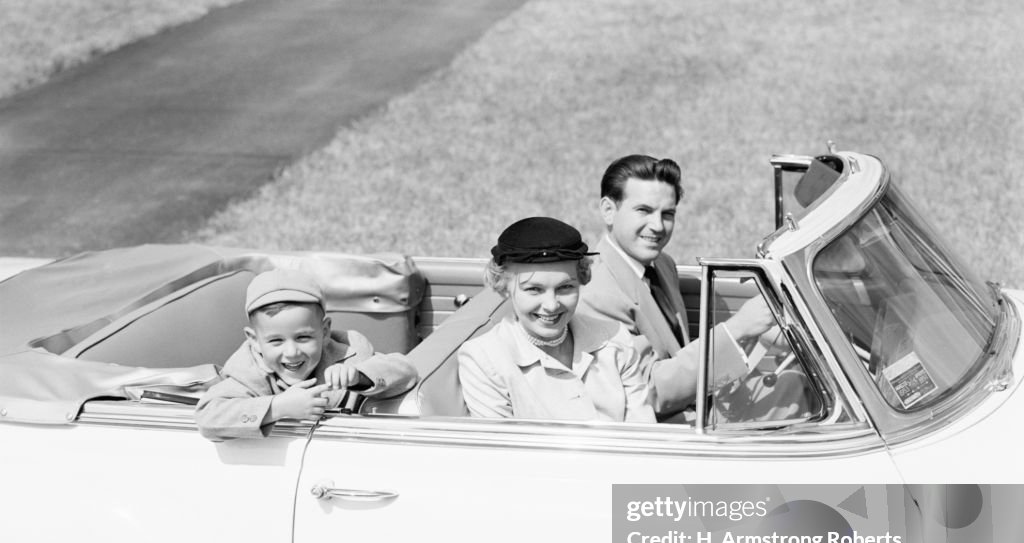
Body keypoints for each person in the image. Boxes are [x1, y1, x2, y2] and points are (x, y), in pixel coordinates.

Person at [576, 154, 776, 421]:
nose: (658, 226)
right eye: (643, 211)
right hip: (661, 430)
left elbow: (674, 353)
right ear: (608, 210)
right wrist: (738, 329)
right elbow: (647, 392)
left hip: (697, 405)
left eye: (667, 214)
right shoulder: (595, 293)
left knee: (795, 387)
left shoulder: (662, 264)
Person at [458, 217, 655, 423]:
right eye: (534, 289)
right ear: (503, 285)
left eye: (565, 287)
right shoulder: (483, 359)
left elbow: (644, 431)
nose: (551, 305)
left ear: (581, 279)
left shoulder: (615, 338)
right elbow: (502, 451)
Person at [196, 268, 417, 440]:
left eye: (303, 338)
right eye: (276, 341)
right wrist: (277, 407)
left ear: (325, 331)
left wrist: (360, 376)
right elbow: (208, 417)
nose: (292, 352)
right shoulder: (248, 372)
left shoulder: (348, 351)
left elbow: (405, 371)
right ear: (254, 340)